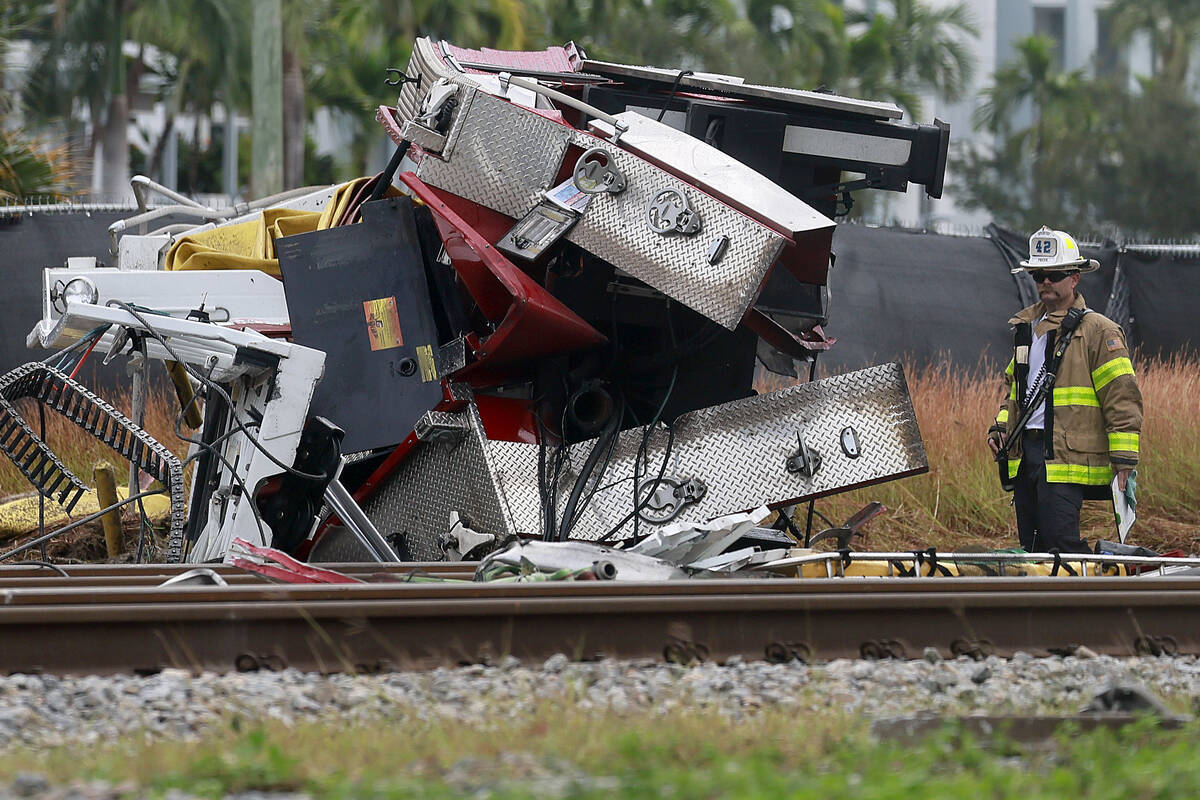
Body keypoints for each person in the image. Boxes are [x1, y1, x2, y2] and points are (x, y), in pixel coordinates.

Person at [987, 226, 1143, 553]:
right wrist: (1000, 426)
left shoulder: (1100, 331)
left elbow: (1122, 396)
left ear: (1074, 278)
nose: (1044, 281)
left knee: (1061, 544)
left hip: (1064, 457)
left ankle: (1097, 594)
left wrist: (1124, 461)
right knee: (1032, 549)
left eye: (1053, 274)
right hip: (1025, 456)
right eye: (1038, 274)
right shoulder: (1026, 330)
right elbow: (1014, 394)